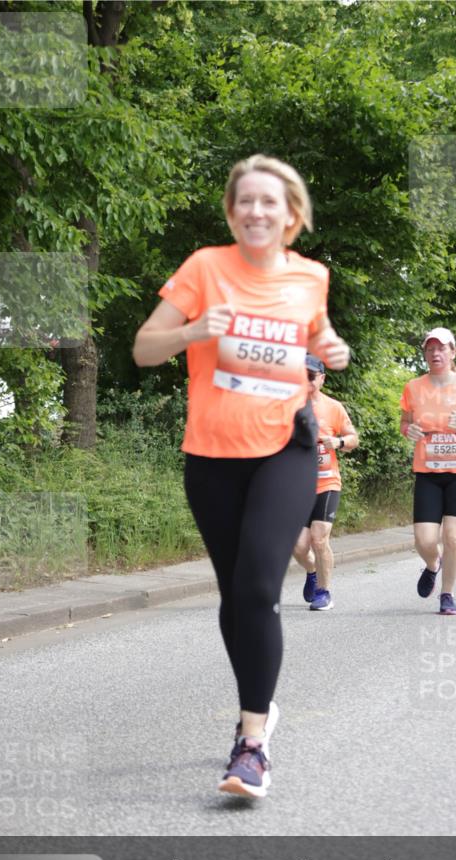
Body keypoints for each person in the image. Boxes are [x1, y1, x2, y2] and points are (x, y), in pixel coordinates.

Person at [133, 154, 350, 798]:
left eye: (270, 202)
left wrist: (331, 347)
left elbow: (318, 335)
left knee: (259, 585)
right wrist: (196, 328)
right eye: (245, 201)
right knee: (235, 596)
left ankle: (252, 745)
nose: (257, 211)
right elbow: (145, 349)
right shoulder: (204, 268)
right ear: (232, 211)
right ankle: (256, 704)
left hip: (286, 447)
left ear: (291, 215)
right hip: (211, 454)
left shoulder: (312, 276)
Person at [400, 327, 456, 615]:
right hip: (427, 472)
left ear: (453, 352)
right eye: (430, 349)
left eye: (442, 348)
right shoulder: (413, 387)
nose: (436, 353)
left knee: (452, 537)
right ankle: (432, 564)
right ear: (425, 353)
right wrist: (408, 430)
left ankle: (447, 594)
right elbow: (404, 423)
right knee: (425, 540)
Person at [292, 354, 359, 610]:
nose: (305, 381)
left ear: (321, 379)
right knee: (298, 546)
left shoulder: (333, 407)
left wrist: (339, 442)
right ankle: (312, 571)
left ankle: (324, 591)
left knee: (319, 539)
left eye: (310, 376)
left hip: (327, 482)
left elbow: (353, 438)